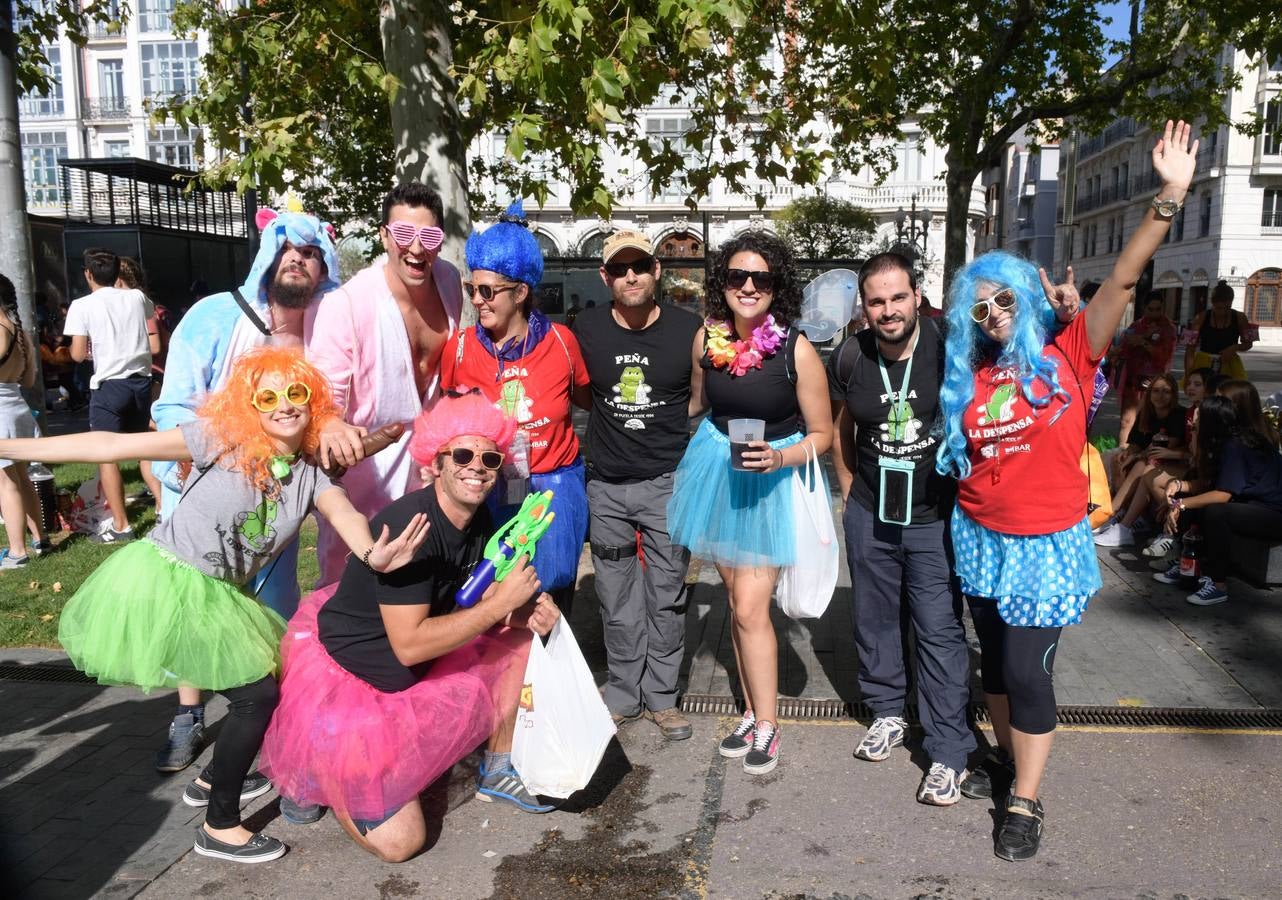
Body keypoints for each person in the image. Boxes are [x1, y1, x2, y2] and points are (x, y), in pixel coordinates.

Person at [0, 348, 428, 863]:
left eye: (295, 394)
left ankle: (210, 780)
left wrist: (371, 553)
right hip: (167, 581)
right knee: (255, 698)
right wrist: (8, 445)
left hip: (219, 596)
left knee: (275, 677)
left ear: (312, 402)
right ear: (249, 404)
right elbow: (112, 442)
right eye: (267, 396)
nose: (284, 406)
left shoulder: (312, 478)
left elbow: (347, 514)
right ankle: (219, 825)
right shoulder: (220, 439)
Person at [935, 119, 1197, 861]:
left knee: (1026, 671)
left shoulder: (1071, 353)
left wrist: (1169, 196)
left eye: (1003, 302)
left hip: (1046, 544)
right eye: (978, 308)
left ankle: (1025, 798)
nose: (992, 317)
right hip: (980, 537)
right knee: (994, 663)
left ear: (1025, 297)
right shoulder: (972, 375)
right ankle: (1007, 760)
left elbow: (1120, 280)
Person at [260, 390, 558, 862]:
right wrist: (497, 605)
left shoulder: (478, 519)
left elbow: (470, 597)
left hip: (413, 670)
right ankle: (325, 770)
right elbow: (409, 647)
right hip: (356, 686)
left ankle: (498, 769)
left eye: (489, 457)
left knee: (518, 636)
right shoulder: (410, 529)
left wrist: (523, 610)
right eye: (461, 454)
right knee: (402, 845)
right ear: (434, 463)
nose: (476, 466)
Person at [149, 206, 343, 774]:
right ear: (267, 256)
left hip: (277, 501)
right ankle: (188, 714)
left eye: (310, 253)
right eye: (289, 249)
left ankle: (260, 721)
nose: (299, 261)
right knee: (194, 608)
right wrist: (181, 462)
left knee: (269, 609)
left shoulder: (325, 328)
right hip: (205, 487)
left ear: (324, 263)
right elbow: (176, 401)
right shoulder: (215, 316)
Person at [668, 230, 834, 774]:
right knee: (736, 601)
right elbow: (697, 403)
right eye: (737, 276)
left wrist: (781, 459)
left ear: (775, 287)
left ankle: (767, 725)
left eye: (759, 278)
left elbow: (823, 434)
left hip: (772, 483)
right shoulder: (705, 342)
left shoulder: (796, 350)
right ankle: (750, 711)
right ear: (723, 283)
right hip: (719, 473)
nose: (747, 286)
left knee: (747, 608)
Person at [828, 253, 975, 804]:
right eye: (876, 302)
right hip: (871, 512)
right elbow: (845, 428)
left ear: (917, 296)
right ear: (864, 308)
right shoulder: (851, 355)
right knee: (874, 616)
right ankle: (887, 710)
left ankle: (948, 752)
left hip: (933, 517)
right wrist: (848, 494)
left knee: (938, 630)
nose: (888, 311)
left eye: (897, 298)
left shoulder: (950, 347)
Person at [571, 229, 701, 742]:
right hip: (605, 485)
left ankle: (663, 699)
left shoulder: (688, 329)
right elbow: (582, 394)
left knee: (665, 596)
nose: (631, 276)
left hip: (667, 483)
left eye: (640, 266)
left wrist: (660, 425)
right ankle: (624, 694)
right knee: (615, 595)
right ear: (605, 277)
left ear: (656, 271)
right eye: (620, 269)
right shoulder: (586, 327)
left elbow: (698, 396)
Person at [309, 182, 467, 587]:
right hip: (364, 474)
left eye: (429, 236)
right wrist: (329, 423)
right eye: (403, 234)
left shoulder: (449, 282)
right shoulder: (347, 303)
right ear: (384, 235)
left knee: (424, 588)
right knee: (350, 590)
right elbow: (324, 396)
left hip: (427, 473)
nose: (416, 249)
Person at [440, 201, 590, 612]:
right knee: (492, 602)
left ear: (521, 292)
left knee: (551, 599)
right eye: (472, 289)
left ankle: (552, 674)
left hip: (553, 491)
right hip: (486, 489)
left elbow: (583, 399)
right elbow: (447, 419)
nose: (478, 300)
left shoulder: (562, 342)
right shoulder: (460, 348)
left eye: (488, 291)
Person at [1157, 383, 1282, 605]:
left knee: (1216, 512)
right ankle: (1187, 565)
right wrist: (1178, 486)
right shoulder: (1227, 442)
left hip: (1273, 512)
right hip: (1251, 504)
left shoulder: (1237, 445)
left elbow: (1222, 495)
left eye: (1198, 419)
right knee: (1193, 502)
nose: (1193, 422)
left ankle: (1218, 584)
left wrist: (1181, 506)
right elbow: (1208, 484)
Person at [63, 248, 156, 543]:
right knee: (147, 449)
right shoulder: (137, 298)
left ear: (88, 274)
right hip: (141, 382)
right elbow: (149, 319)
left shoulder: (82, 305)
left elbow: (77, 354)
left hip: (108, 385)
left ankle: (121, 524)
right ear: (117, 273)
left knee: (107, 456)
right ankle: (165, 509)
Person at [1094, 373, 1186, 547]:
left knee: (1140, 465)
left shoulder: (1178, 414)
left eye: (1166, 392)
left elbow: (1165, 449)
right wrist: (1129, 453)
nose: (1160, 395)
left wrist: (1138, 455)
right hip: (1153, 459)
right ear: (1149, 394)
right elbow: (1136, 444)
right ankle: (1127, 513)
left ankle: (1113, 514)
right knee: (1119, 459)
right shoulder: (1147, 413)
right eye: (1156, 391)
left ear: (1173, 394)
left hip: (1172, 462)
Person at [1138, 367, 1219, 558]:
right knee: (1148, 471)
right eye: (1189, 383)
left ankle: (1171, 533)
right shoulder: (1191, 411)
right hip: (1192, 467)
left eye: (1197, 384)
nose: (1190, 388)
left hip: (1201, 472)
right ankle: (1165, 527)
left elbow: (1198, 454)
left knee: (1150, 472)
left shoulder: (1208, 413)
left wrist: (1175, 455)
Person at [0, 274, 48, 569]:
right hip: (16, 404)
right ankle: (39, 539)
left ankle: (17, 552)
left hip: (1, 410)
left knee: (6, 483)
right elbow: (29, 378)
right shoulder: (19, 331)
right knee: (22, 478)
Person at [114, 257, 165, 515]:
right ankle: (160, 500)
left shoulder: (139, 304)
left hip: (149, 377)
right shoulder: (142, 302)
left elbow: (155, 346)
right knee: (149, 441)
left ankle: (160, 502)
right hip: (148, 376)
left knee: (149, 441)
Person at [1113, 292, 1177, 445]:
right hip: (1133, 381)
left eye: (1158, 309)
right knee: (1126, 421)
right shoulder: (1135, 326)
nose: (1154, 313)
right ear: (1144, 308)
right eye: (1151, 309)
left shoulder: (1168, 329)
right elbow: (1121, 348)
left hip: (1156, 384)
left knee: (1152, 424)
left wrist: (1142, 342)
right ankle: (1122, 456)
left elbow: (1164, 356)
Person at [1183, 280, 1253, 382]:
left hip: (1230, 365)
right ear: (1212, 303)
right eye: (1219, 308)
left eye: (1227, 307)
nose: (1223, 312)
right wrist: (1188, 375)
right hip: (1203, 364)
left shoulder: (1240, 317)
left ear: (1231, 302)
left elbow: (1248, 344)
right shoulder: (1200, 318)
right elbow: (1190, 349)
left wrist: (1235, 347)